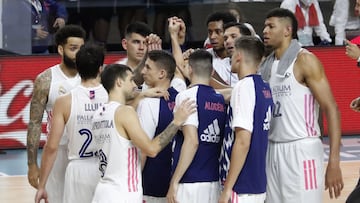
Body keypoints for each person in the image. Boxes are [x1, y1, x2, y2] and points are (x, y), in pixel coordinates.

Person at [260, 8, 343, 202]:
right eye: (264, 26)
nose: (265, 30)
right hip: (272, 149)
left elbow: (331, 108)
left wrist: (334, 161)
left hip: (301, 150)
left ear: (287, 30)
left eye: (271, 26)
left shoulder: (305, 60)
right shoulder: (266, 65)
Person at [91, 64, 196, 203]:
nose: (135, 85)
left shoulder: (98, 114)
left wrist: (141, 96)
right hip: (123, 192)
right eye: (131, 80)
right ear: (119, 82)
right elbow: (151, 149)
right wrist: (176, 122)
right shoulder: (125, 113)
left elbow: (121, 123)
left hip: (103, 190)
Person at [34, 43, 108, 203]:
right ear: (101, 68)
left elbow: (52, 146)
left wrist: (42, 186)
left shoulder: (64, 101)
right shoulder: (112, 95)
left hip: (78, 168)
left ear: (78, 68)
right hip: (106, 167)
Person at [26, 25, 86, 203]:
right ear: (61, 49)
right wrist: (31, 164)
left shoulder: (94, 75)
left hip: (85, 154)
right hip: (56, 154)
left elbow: (131, 80)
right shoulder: (45, 80)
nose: (79, 54)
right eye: (73, 49)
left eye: (82, 49)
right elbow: (34, 123)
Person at [166, 50, 226, 203]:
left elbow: (192, 141)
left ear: (190, 69)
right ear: (212, 71)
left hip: (190, 181)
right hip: (213, 181)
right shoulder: (220, 99)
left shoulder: (186, 96)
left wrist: (174, 181)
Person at [219, 36, 273, 203]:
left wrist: (228, 187)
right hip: (256, 181)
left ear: (239, 56)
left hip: (241, 185)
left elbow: (243, 141)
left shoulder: (244, 87)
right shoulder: (265, 87)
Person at [138, 50, 178, 203]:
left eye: (147, 67)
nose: (143, 71)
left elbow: (143, 149)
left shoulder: (149, 103)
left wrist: (134, 183)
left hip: (151, 187)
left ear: (161, 73)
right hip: (175, 187)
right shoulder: (183, 97)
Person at [205, 11, 237, 87]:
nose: (212, 37)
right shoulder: (204, 57)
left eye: (218, 32)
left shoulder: (240, 60)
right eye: (210, 32)